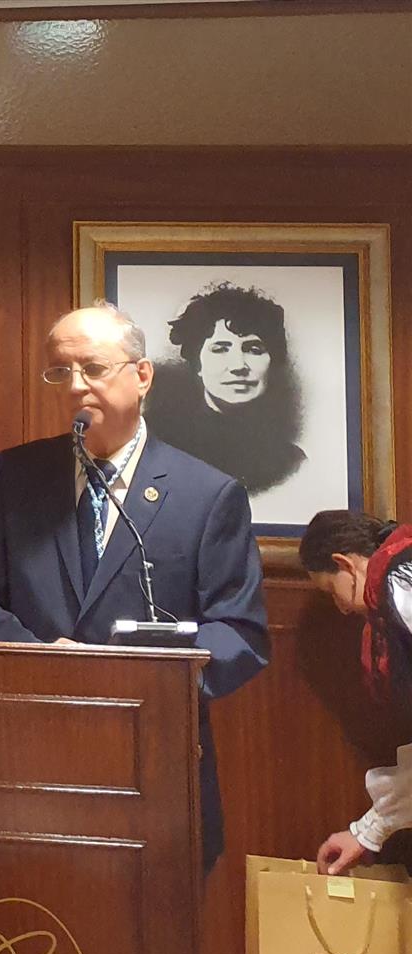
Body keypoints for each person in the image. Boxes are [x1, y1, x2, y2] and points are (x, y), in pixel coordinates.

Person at [0, 302, 270, 870]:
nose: (75, 387)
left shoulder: (207, 493)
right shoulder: (15, 476)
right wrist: (41, 656)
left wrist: (143, 677)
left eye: (93, 368)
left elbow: (240, 631)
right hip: (32, 745)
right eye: (59, 372)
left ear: (140, 376)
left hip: (154, 756)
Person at [301, 510, 412, 874]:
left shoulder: (399, 584)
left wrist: (368, 831)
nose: (342, 609)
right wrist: (367, 831)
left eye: (332, 592)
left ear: (344, 563)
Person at [147, 282, 305, 494]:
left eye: (254, 349)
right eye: (220, 349)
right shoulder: (158, 446)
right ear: (197, 363)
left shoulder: (290, 462)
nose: (238, 366)